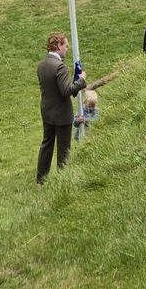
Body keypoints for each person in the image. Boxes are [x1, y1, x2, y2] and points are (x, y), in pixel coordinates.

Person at [36, 31, 86, 184]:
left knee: (46, 145)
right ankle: (63, 180)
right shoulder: (60, 67)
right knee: (64, 148)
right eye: (65, 46)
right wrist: (81, 81)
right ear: (58, 46)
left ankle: (40, 180)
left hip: (47, 110)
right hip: (62, 114)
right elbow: (66, 91)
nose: (67, 49)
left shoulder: (41, 65)